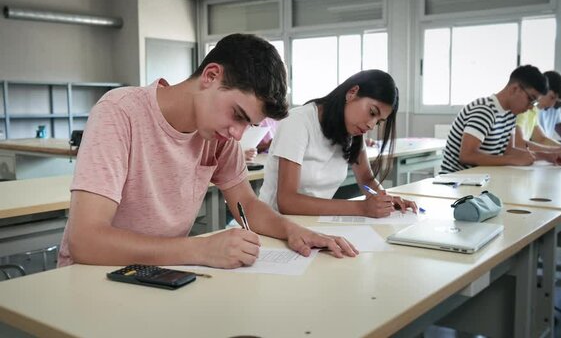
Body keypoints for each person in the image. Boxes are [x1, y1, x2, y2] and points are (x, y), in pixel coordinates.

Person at [58, 33, 357, 269]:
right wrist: (201, 249)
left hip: (160, 272)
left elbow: (247, 207)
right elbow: (86, 241)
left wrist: (291, 230)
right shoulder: (120, 112)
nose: (237, 133)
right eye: (237, 115)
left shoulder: (218, 136)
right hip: (94, 278)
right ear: (210, 76)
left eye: (249, 124)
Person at [259, 70, 417, 218]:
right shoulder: (298, 121)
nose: (371, 125)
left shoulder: (353, 132)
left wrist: (385, 201)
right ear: (352, 93)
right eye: (372, 113)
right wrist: (362, 208)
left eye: (378, 122)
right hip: (274, 224)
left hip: (313, 224)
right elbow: (288, 202)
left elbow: (366, 179)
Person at [440, 65, 561, 174]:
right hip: (455, 184)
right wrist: (513, 159)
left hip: (478, 180)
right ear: (514, 89)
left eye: (534, 103)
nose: (530, 107)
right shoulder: (484, 110)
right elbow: (466, 156)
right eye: (530, 99)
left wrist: (545, 156)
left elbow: (507, 150)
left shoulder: (510, 114)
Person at [514, 71, 561, 156]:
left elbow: (542, 139)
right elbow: (518, 143)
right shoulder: (521, 107)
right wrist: (558, 150)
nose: (552, 104)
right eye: (552, 97)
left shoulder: (533, 110)